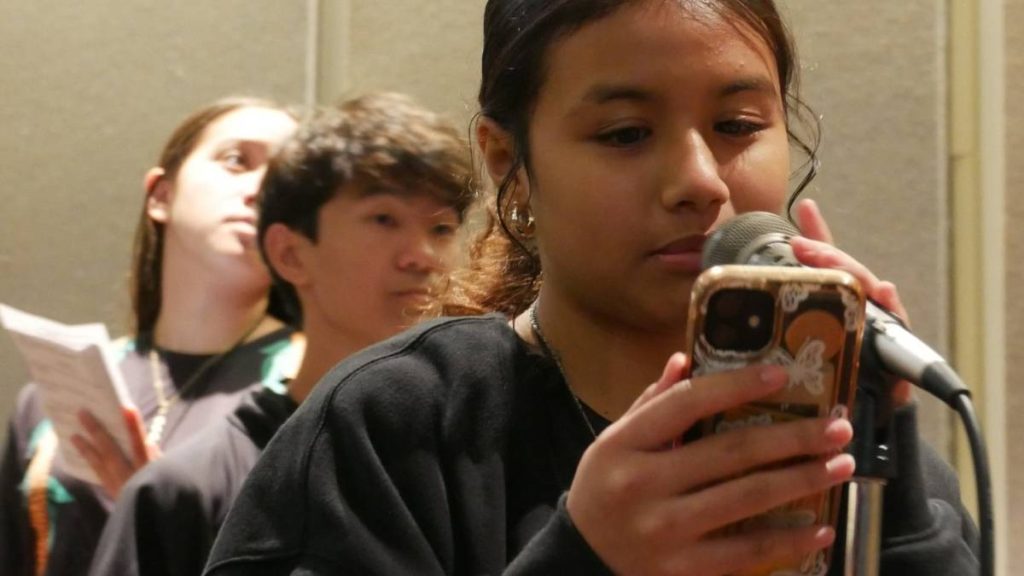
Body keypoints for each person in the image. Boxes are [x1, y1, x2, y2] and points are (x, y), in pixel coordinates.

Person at [203, 2, 980, 575]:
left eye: (739, 126)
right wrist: (584, 557)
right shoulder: (391, 431)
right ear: (507, 160)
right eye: (625, 134)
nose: (700, 182)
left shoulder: (852, 452)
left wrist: (898, 502)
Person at [86, 92, 475, 576]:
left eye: (442, 228)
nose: (422, 256)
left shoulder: (486, 455)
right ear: (290, 254)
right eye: (383, 219)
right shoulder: (186, 490)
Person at [0, 97, 303, 576]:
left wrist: (165, 516)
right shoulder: (52, 393)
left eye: (286, 180)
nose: (260, 189)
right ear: (161, 195)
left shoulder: (312, 385)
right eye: (235, 160)